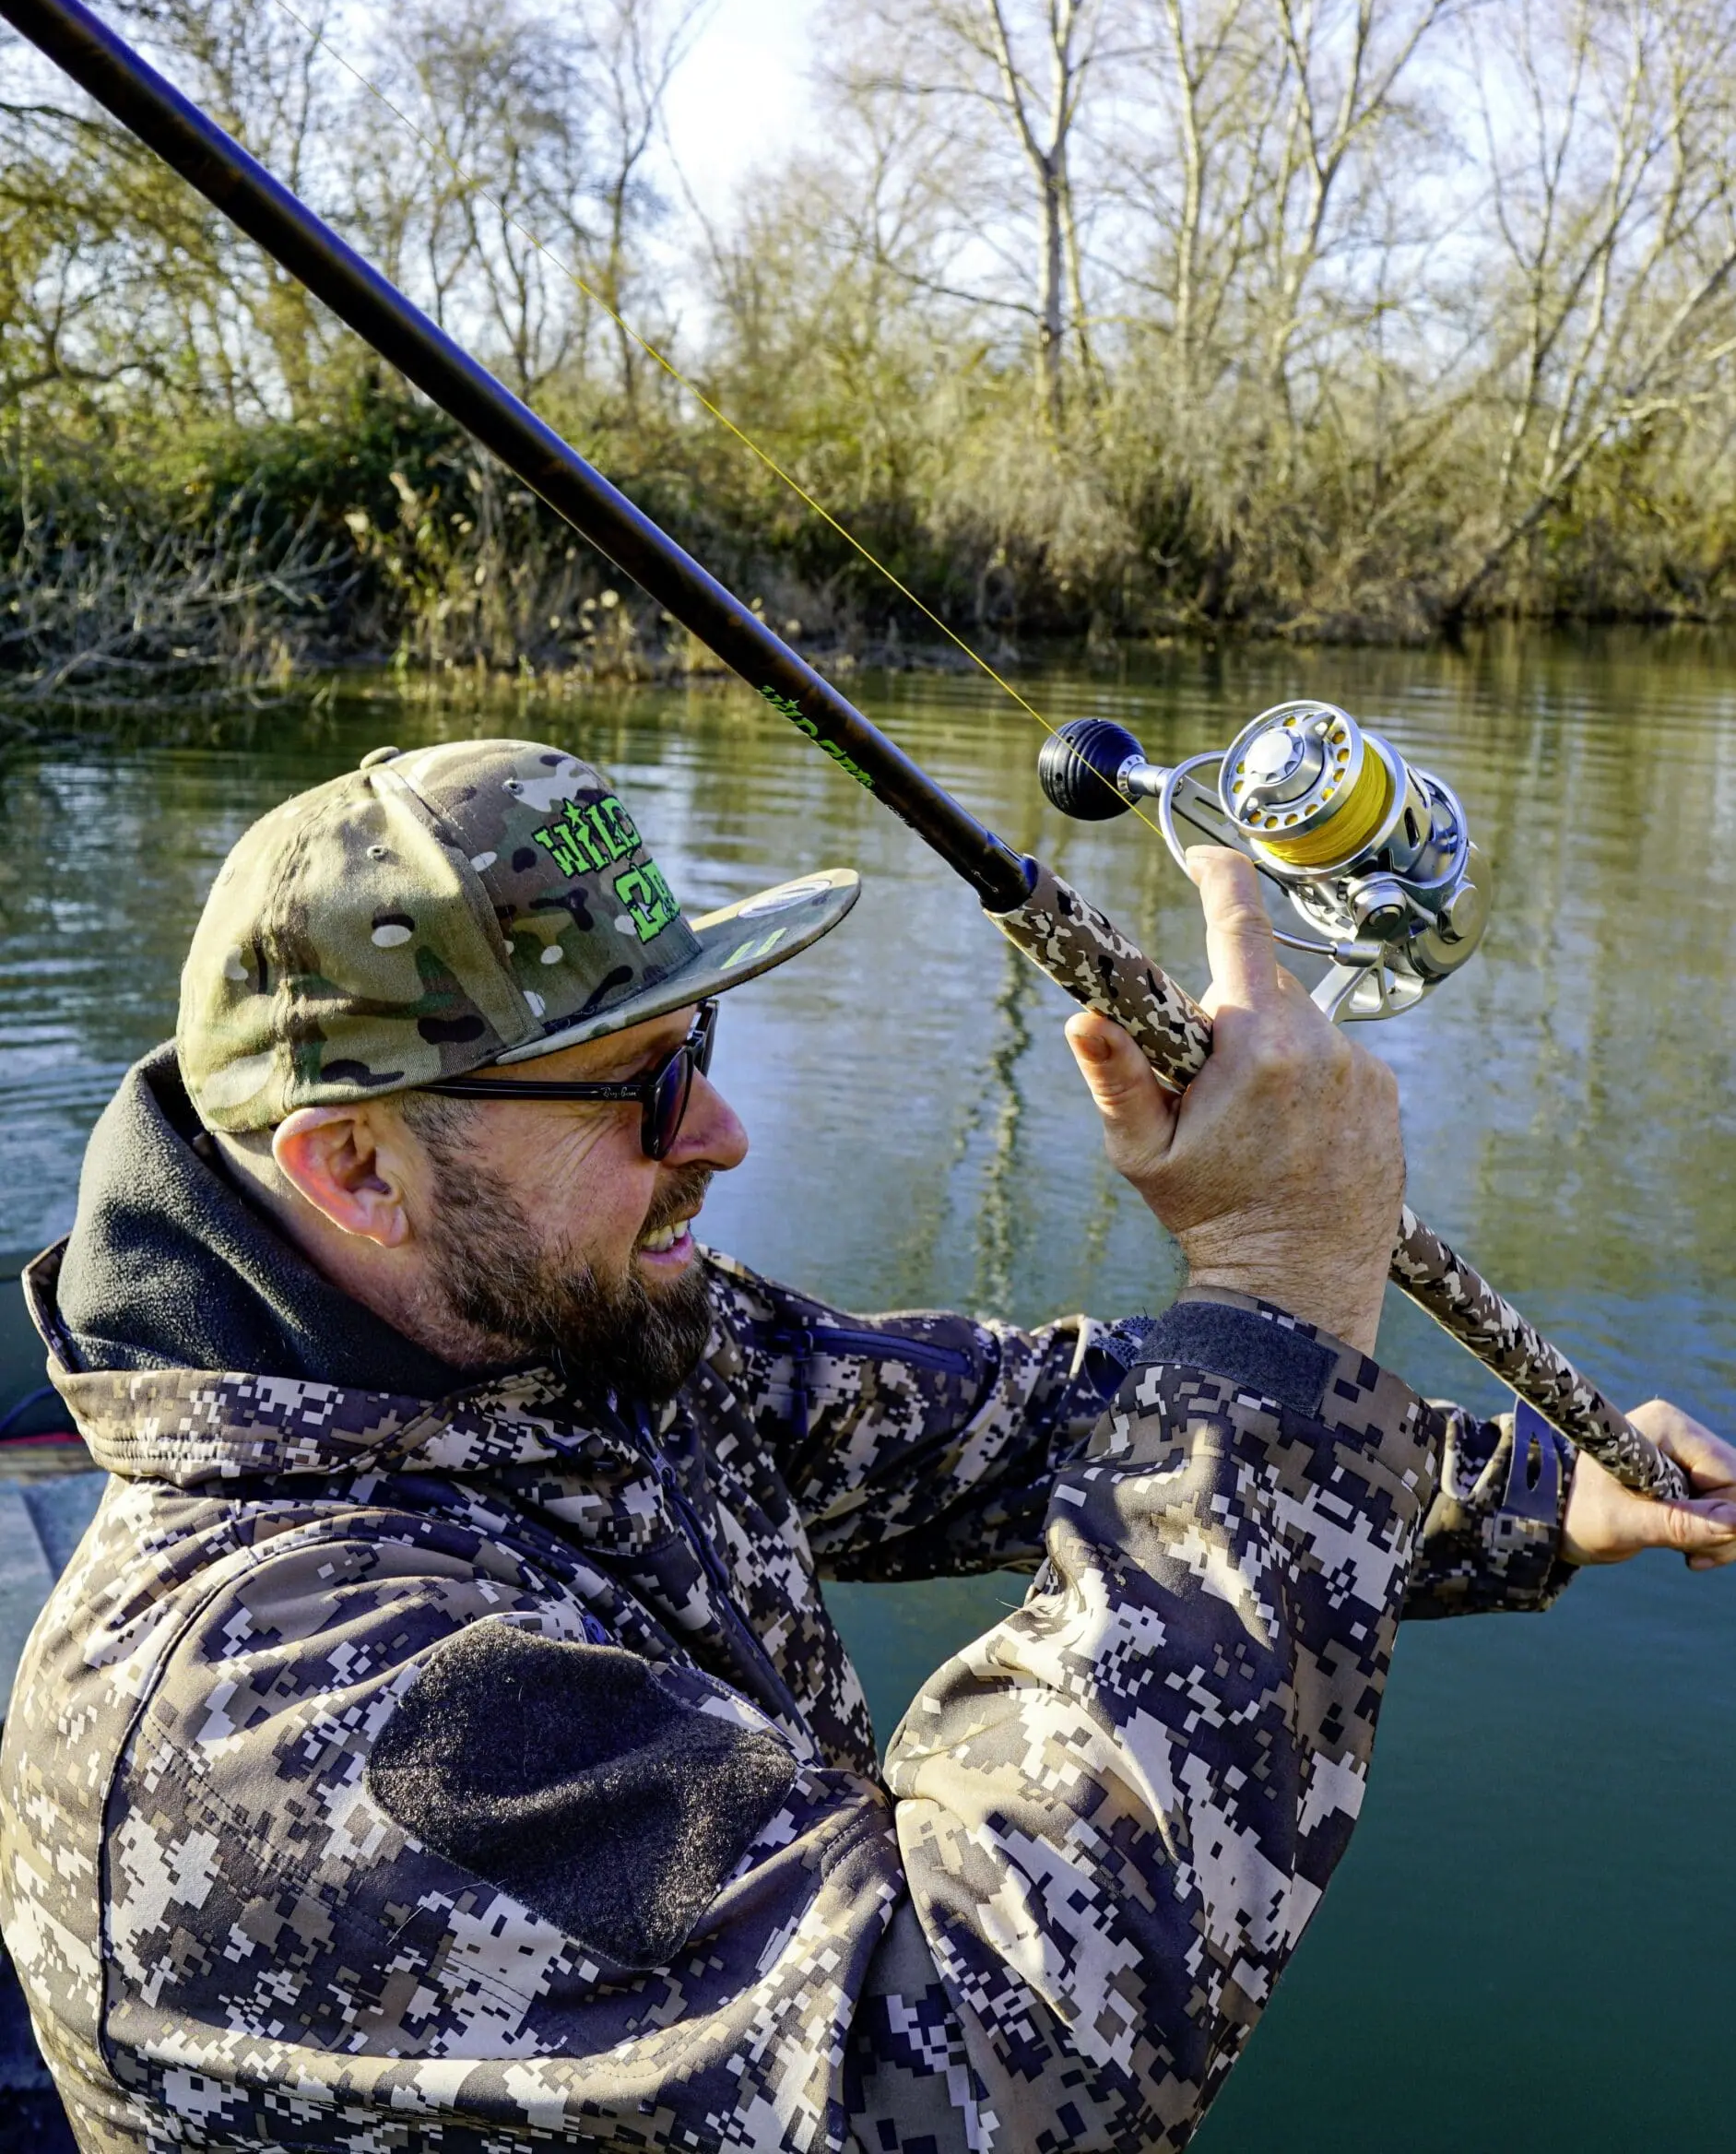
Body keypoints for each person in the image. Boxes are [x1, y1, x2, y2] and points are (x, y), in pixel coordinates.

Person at [2, 736, 1730, 2154]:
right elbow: (991, 2057)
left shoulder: (553, 1333)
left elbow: (1004, 1425)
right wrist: (1277, 1284)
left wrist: (1527, 1491)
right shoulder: (273, 1703)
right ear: (358, 1170)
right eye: (636, 1087)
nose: (721, 1131)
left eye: (695, 1046)